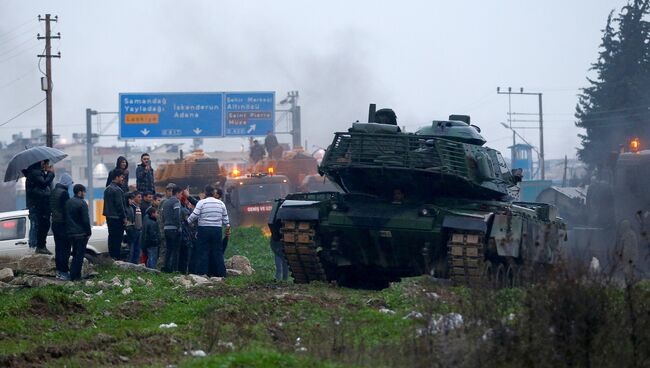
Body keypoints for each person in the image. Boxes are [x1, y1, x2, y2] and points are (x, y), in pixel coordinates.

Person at [187, 185, 230, 277]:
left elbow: (194, 215)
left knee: (203, 251)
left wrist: (187, 222)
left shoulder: (201, 203)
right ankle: (220, 273)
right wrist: (227, 229)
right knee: (217, 251)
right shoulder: (221, 203)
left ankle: (202, 273)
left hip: (204, 230)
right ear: (214, 193)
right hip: (217, 230)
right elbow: (226, 220)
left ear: (205, 192)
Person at [24, 159, 55, 254]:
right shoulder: (34, 173)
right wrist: (50, 174)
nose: (46, 165)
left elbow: (43, 184)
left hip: (39, 204)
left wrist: (46, 174)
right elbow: (43, 183)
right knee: (36, 224)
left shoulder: (36, 173)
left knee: (41, 224)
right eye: (45, 163)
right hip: (37, 204)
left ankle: (39, 246)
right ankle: (34, 246)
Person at [65, 184, 91, 281]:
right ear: (80, 192)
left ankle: (72, 275)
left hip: (70, 233)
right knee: (79, 256)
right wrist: (88, 232)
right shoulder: (82, 203)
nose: (84, 194)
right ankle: (77, 277)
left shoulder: (68, 202)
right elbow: (85, 220)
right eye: (84, 192)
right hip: (80, 234)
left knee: (74, 254)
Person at [50, 173, 73, 280]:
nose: (70, 185)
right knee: (65, 249)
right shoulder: (64, 193)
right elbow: (66, 210)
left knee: (58, 248)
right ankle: (64, 272)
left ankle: (59, 271)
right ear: (66, 182)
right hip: (63, 224)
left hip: (55, 223)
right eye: (69, 183)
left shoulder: (54, 191)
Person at [103, 169, 127, 260]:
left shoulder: (107, 189)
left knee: (111, 237)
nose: (122, 179)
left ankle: (111, 257)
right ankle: (116, 258)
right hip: (117, 218)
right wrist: (124, 217)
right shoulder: (117, 190)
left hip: (109, 217)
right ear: (116, 177)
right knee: (117, 239)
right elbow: (120, 206)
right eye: (121, 177)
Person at [162, 185, 183, 272]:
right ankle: (174, 269)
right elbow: (177, 216)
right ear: (177, 193)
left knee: (168, 249)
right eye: (181, 194)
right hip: (174, 229)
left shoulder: (165, 202)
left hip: (166, 228)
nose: (181, 196)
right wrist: (179, 227)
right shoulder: (176, 202)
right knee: (175, 250)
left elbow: (162, 216)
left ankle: (167, 268)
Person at [157, 183, 176, 270]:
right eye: (170, 191)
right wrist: (161, 230)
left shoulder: (173, 201)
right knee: (163, 250)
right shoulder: (164, 202)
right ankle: (160, 268)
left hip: (169, 229)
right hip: (164, 229)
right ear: (167, 191)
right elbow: (160, 217)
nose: (171, 193)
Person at [125, 192, 143, 264]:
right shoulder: (130, 208)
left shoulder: (136, 207)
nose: (140, 199)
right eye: (138, 197)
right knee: (131, 250)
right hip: (132, 231)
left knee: (137, 250)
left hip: (138, 231)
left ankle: (135, 265)